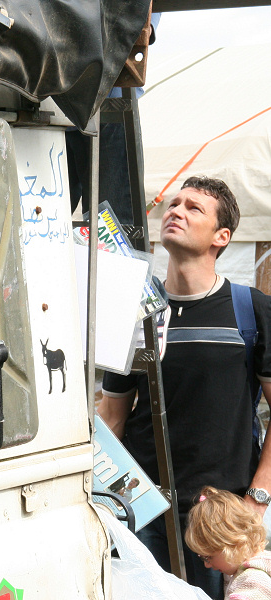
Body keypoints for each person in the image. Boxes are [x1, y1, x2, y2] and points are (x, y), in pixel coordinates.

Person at [98, 176, 271, 599]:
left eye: (194, 208)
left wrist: (256, 500)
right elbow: (112, 416)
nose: (176, 211)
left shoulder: (250, 309)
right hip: (142, 510)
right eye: (173, 204)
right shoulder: (137, 311)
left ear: (221, 236)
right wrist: (98, 497)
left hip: (220, 516)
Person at [186, 486, 271, 599]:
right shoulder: (243, 569)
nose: (207, 565)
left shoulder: (254, 581)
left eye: (208, 557)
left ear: (233, 544)